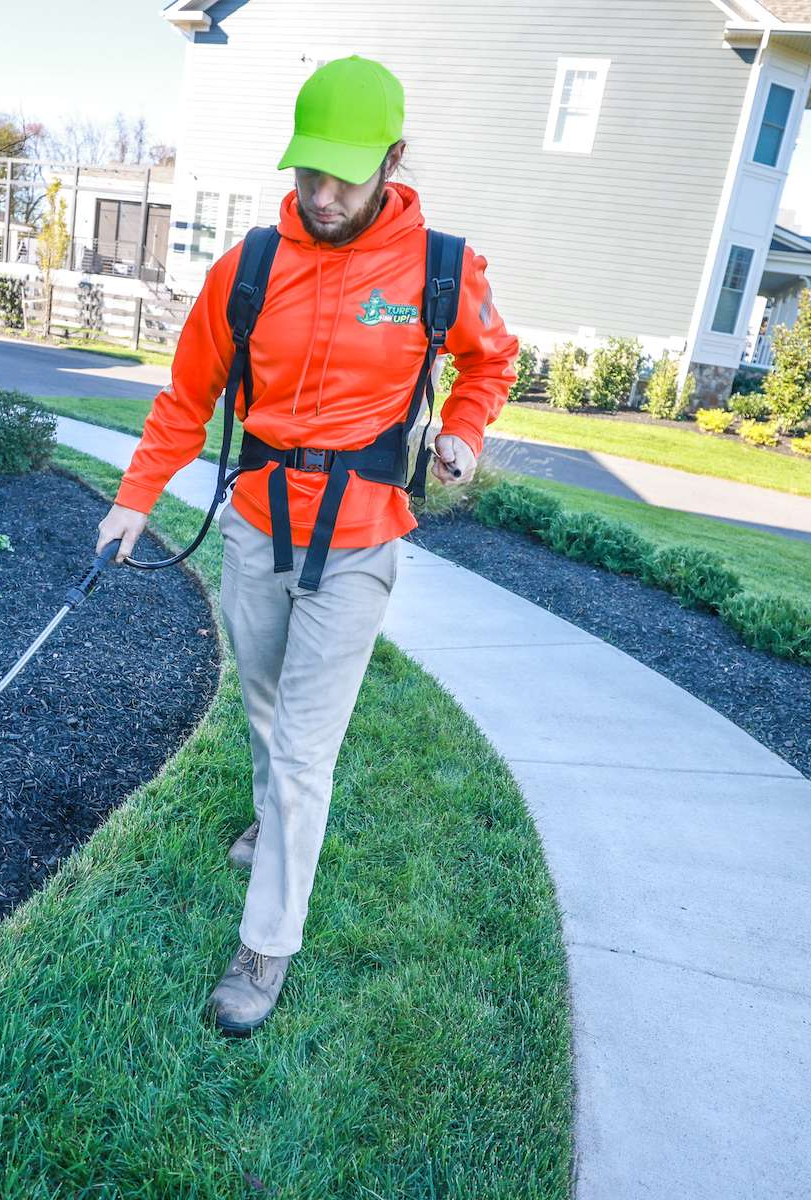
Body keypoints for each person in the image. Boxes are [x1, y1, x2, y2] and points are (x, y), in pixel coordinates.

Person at [94, 55, 519, 1035]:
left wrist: (463, 427)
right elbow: (187, 396)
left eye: (343, 175)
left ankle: (266, 946)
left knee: (304, 753)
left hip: (362, 536)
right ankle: (265, 827)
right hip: (253, 524)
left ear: (393, 159)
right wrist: (133, 498)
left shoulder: (439, 269)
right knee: (263, 702)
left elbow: (491, 358)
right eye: (307, 174)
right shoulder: (248, 267)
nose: (322, 195)